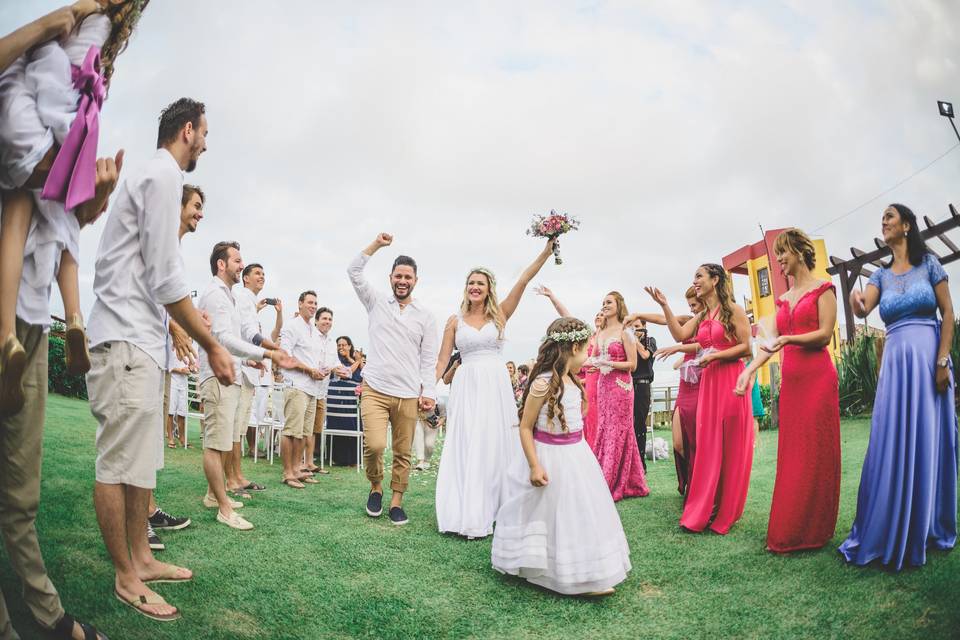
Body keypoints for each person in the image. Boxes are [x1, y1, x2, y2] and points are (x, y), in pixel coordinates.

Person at [86, 98, 233, 622]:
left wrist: (179, 331)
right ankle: (126, 576)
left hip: (141, 341)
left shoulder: (157, 176)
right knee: (118, 463)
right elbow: (166, 278)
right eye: (206, 134)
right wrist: (212, 343)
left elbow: (156, 276)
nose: (207, 144)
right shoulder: (164, 174)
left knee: (141, 462)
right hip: (123, 339)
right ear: (187, 130)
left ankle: (144, 558)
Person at [0, 0, 148, 416]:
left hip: (47, 94)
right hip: (73, 116)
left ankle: (5, 333)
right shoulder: (105, 47)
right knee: (62, 222)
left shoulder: (83, 12)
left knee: (19, 201)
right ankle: (76, 317)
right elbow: (76, 212)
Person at [0, 142, 120, 638]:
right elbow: (23, 171)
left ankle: (46, 613)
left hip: (31, 322)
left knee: (22, 492)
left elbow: (61, 222)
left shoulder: (72, 114)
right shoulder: (24, 93)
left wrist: (89, 201)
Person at [838, 204, 956, 570]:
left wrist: (942, 360)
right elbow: (863, 309)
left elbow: (948, 314)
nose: (884, 222)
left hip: (928, 358)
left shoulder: (930, 264)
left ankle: (928, 525)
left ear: (906, 225)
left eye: (890, 216)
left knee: (930, 439)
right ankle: (888, 523)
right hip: (896, 364)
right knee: (888, 440)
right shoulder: (879, 276)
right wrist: (857, 302)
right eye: (882, 219)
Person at [491, 317, 631, 596]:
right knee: (548, 514)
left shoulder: (572, 379)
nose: (589, 353)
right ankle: (553, 572)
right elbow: (526, 426)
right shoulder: (543, 383)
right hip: (549, 456)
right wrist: (534, 465)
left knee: (578, 512)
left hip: (576, 456)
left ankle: (583, 569)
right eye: (587, 348)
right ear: (575, 346)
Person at [434, 239, 555, 538]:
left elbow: (524, 279)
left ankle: (498, 504)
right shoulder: (454, 321)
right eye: (471, 283)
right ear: (466, 288)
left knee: (494, 440)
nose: (475, 287)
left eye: (481, 283)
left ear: (489, 289)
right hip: (466, 385)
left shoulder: (499, 314)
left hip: (494, 383)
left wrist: (546, 252)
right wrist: (427, 388)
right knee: (467, 440)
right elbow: (440, 360)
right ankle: (466, 506)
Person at [736, 228, 841, 554]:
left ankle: (815, 529)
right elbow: (769, 344)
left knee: (816, 453)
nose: (779, 259)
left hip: (818, 379)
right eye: (778, 253)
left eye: (783, 253)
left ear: (799, 251)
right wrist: (750, 371)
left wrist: (789, 340)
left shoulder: (824, 289)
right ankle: (790, 527)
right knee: (793, 455)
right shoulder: (783, 300)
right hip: (792, 384)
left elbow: (824, 335)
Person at [646, 264, 754, 534]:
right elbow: (680, 335)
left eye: (699, 276)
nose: (694, 281)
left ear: (715, 280)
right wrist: (665, 305)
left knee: (727, 445)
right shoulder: (705, 314)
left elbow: (746, 347)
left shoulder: (733, 310)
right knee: (709, 445)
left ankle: (725, 509)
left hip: (730, 381)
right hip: (709, 383)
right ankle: (707, 506)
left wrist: (715, 355)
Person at [197, 241, 294, 529]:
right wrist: (266, 352)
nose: (242, 265)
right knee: (216, 444)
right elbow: (223, 339)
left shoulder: (227, 296)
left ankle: (214, 496)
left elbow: (232, 339)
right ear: (221, 264)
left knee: (224, 440)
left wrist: (248, 361)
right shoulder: (216, 294)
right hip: (216, 375)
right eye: (238, 261)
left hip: (229, 372)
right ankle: (224, 507)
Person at [348, 233, 439, 526]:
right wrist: (376, 245)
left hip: (408, 393)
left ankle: (397, 501)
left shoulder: (425, 315)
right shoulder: (375, 302)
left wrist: (430, 392)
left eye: (408, 277)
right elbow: (354, 271)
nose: (403, 281)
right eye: (398, 276)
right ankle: (375, 487)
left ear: (415, 281)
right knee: (374, 445)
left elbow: (428, 358)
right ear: (390, 278)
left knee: (403, 452)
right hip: (374, 388)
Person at [638, 288, 702, 496]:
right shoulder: (689, 320)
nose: (693, 309)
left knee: (698, 438)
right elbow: (663, 319)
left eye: (696, 304)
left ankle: (700, 487)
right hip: (686, 383)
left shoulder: (711, 321)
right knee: (679, 442)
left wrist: (679, 351)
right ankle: (691, 480)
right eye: (691, 305)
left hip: (704, 379)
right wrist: (637, 315)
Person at [591, 292, 648, 501]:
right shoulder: (601, 331)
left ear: (618, 305)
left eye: (608, 302)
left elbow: (632, 365)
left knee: (619, 430)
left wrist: (609, 364)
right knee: (604, 427)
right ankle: (608, 475)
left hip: (621, 386)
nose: (604, 305)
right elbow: (594, 357)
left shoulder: (626, 331)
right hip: (602, 386)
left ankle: (613, 478)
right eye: (603, 302)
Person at [537, 286, 604, 449]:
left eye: (602, 314)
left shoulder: (608, 341)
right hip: (575, 385)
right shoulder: (586, 337)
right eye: (597, 314)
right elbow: (566, 316)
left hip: (596, 387)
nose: (599, 316)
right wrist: (552, 296)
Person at [233, 262, 282, 483]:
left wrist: (253, 360)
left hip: (247, 370)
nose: (262, 276)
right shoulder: (243, 296)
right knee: (235, 431)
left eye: (264, 273)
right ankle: (234, 478)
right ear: (245, 278)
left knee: (239, 430)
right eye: (257, 273)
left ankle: (237, 476)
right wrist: (272, 351)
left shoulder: (249, 301)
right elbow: (249, 333)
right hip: (238, 373)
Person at [278, 291, 326, 488]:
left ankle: (297, 469)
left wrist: (321, 370)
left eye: (315, 303)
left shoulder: (313, 331)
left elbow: (313, 358)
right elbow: (286, 356)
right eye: (309, 303)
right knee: (291, 431)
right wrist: (309, 370)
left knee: (304, 433)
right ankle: (287, 473)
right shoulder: (291, 326)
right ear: (300, 304)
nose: (313, 306)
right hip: (296, 385)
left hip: (312, 389)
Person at [305, 306, 343, 474]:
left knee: (316, 428)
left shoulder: (331, 342)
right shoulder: (310, 336)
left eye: (330, 319)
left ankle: (309, 462)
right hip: (307, 388)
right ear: (316, 320)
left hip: (322, 390)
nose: (327, 322)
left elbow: (335, 363)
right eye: (324, 318)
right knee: (304, 428)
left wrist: (341, 370)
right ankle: (300, 462)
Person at [329, 336, 363, 466]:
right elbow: (344, 372)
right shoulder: (334, 361)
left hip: (351, 405)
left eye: (344, 345)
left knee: (354, 423)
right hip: (335, 406)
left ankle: (353, 459)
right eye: (339, 345)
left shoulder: (356, 363)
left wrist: (355, 360)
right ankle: (337, 458)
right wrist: (357, 361)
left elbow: (360, 376)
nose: (341, 347)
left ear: (350, 346)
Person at [630, 318, 657, 468]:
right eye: (632, 327)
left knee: (639, 424)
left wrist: (633, 339)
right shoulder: (628, 342)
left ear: (645, 326)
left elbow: (646, 355)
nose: (635, 329)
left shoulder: (650, 341)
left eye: (637, 326)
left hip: (642, 387)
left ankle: (641, 464)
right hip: (627, 386)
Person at [165, 344, 191, 449]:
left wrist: (191, 368)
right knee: (170, 412)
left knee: (182, 412)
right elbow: (167, 366)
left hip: (184, 383)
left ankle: (182, 438)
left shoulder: (187, 348)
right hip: (173, 382)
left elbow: (191, 364)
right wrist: (180, 370)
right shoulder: (170, 346)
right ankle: (170, 438)